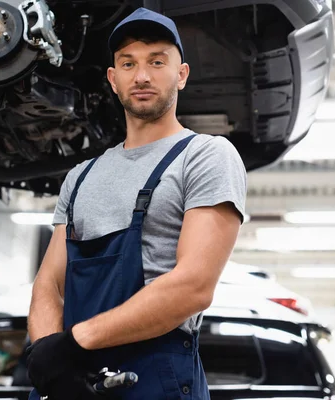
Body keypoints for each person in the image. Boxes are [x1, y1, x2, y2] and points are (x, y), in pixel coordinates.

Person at [25, 7, 247, 399]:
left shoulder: (205, 155)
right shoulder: (80, 176)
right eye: (128, 63)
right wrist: (51, 361)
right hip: (71, 380)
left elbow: (193, 286)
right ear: (113, 79)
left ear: (181, 74)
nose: (142, 76)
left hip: (154, 377)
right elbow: (48, 284)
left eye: (157, 61)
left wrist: (75, 342)